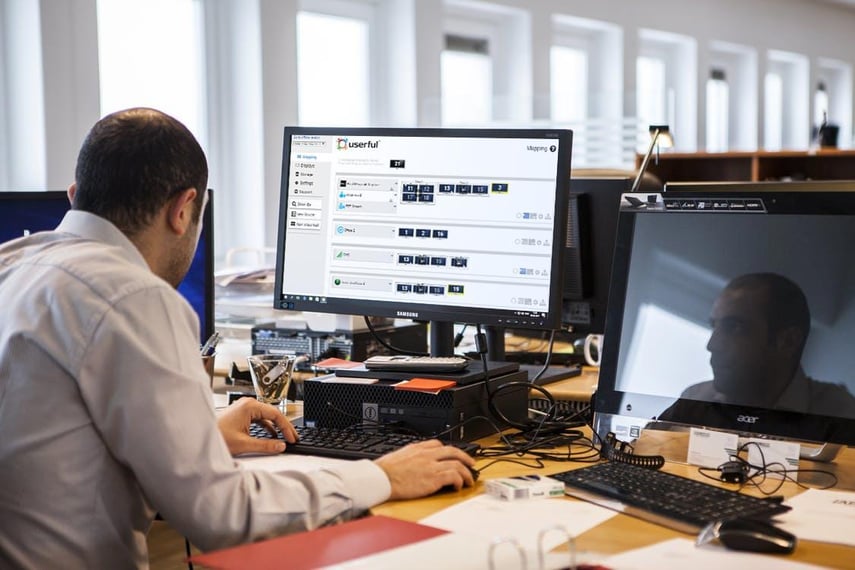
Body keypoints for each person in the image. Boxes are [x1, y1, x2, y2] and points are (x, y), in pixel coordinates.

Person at [0, 108, 475, 569]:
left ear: (74, 195)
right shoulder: (133, 295)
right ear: (183, 209)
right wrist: (381, 475)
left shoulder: (13, 264)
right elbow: (222, 516)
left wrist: (198, 438)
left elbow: (58, 444)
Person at [666, 272, 855, 417]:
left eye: (734, 327)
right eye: (714, 326)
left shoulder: (842, 413)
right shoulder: (693, 400)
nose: (712, 344)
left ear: (787, 341)